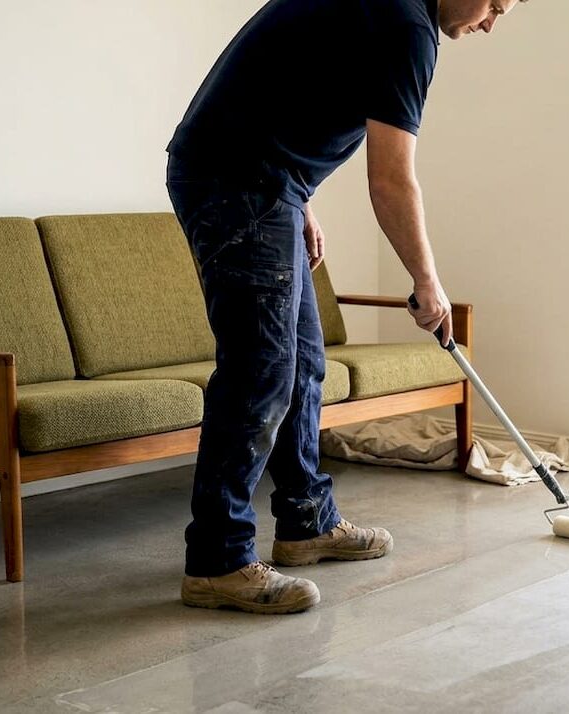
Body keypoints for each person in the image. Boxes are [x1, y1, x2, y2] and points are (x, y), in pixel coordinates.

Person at [166, 0, 525, 614]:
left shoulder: (384, 10)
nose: (491, 23)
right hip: (236, 179)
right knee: (260, 371)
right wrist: (427, 281)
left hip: (263, 178)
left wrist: (298, 196)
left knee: (304, 365)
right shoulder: (407, 27)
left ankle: (306, 522)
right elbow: (390, 180)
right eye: (494, 4)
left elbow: (284, 84)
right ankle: (217, 561)